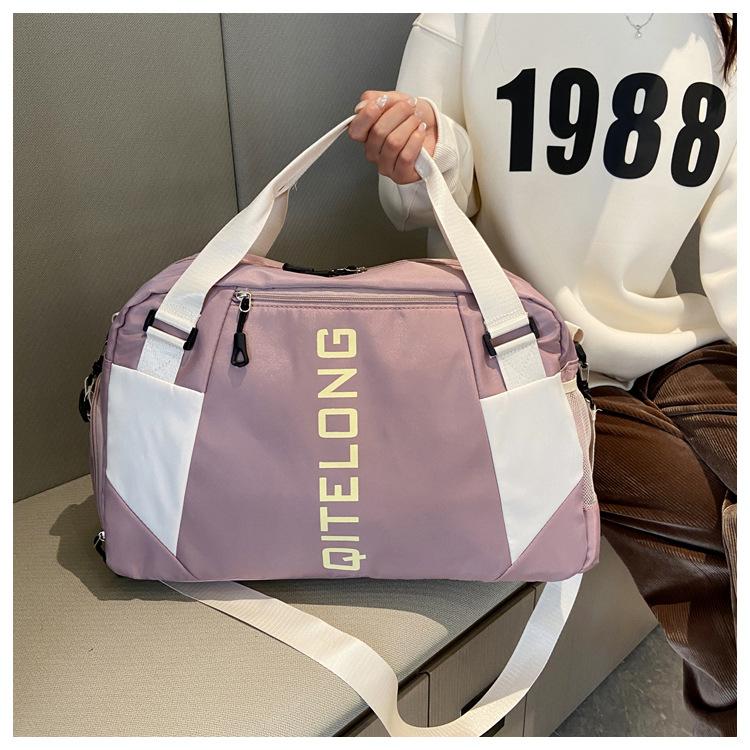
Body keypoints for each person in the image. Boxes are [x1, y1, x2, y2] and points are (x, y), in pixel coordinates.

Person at [348, 13, 737, 736]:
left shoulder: (725, 31)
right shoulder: (468, 16)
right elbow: (412, 202)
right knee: (696, 517)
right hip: (514, 358)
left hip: (659, 339)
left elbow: (739, 248)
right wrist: (427, 147)